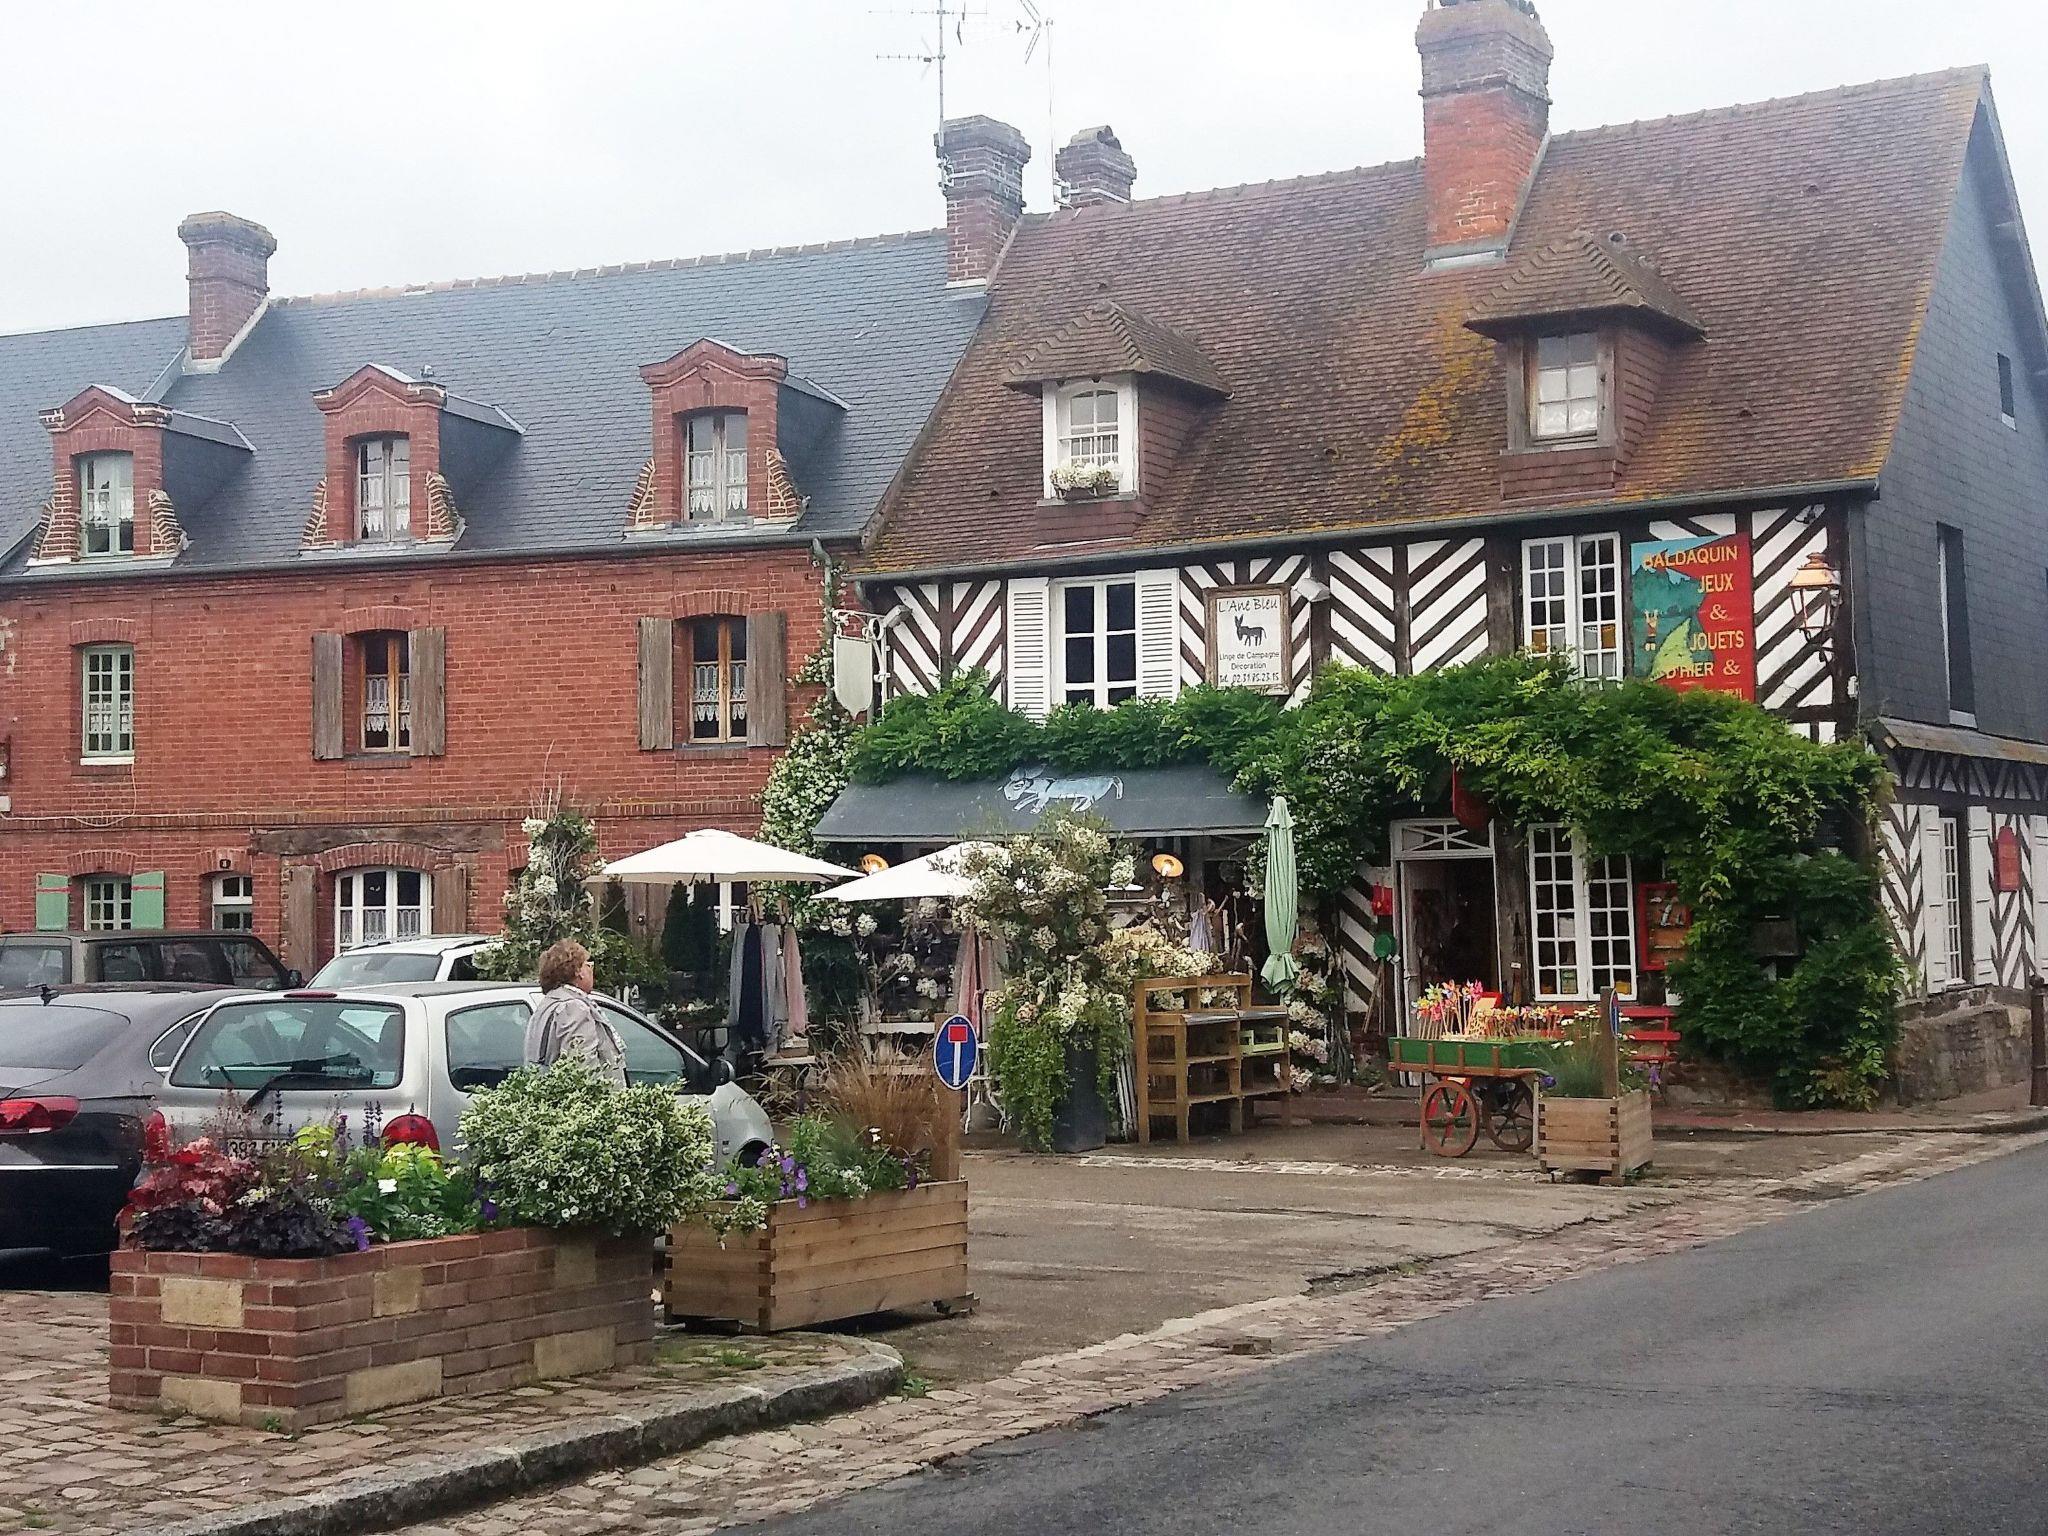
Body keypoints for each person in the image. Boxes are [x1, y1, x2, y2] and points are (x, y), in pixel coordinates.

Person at [522, 939, 627, 1089]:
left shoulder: (547, 1004)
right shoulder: (575, 1008)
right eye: (588, 965)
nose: (591, 971)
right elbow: (583, 1072)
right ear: (578, 971)